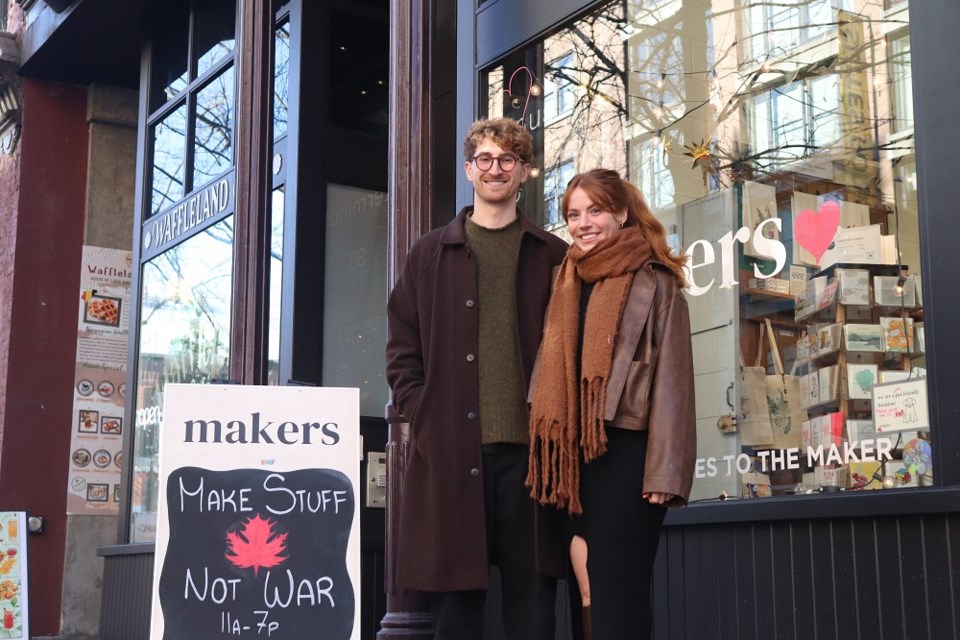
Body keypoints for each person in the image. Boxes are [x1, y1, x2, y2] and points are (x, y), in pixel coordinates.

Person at [386, 117, 569, 640]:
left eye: (508, 160)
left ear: (525, 172)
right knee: (456, 613)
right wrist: (423, 416)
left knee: (532, 606)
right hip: (451, 452)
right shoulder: (428, 254)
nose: (496, 169)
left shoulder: (552, 255)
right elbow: (402, 349)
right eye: (485, 160)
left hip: (532, 457)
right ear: (469, 170)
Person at [526, 168, 697, 640]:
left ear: (621, 212)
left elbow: (674, 383)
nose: (583, 223)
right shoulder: (565, 280)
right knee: (585, 585)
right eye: (574, 214)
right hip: (576, 459)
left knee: (616, 588)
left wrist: (665, 472)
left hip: (628, 456)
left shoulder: (655, 282)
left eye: (595, 210)